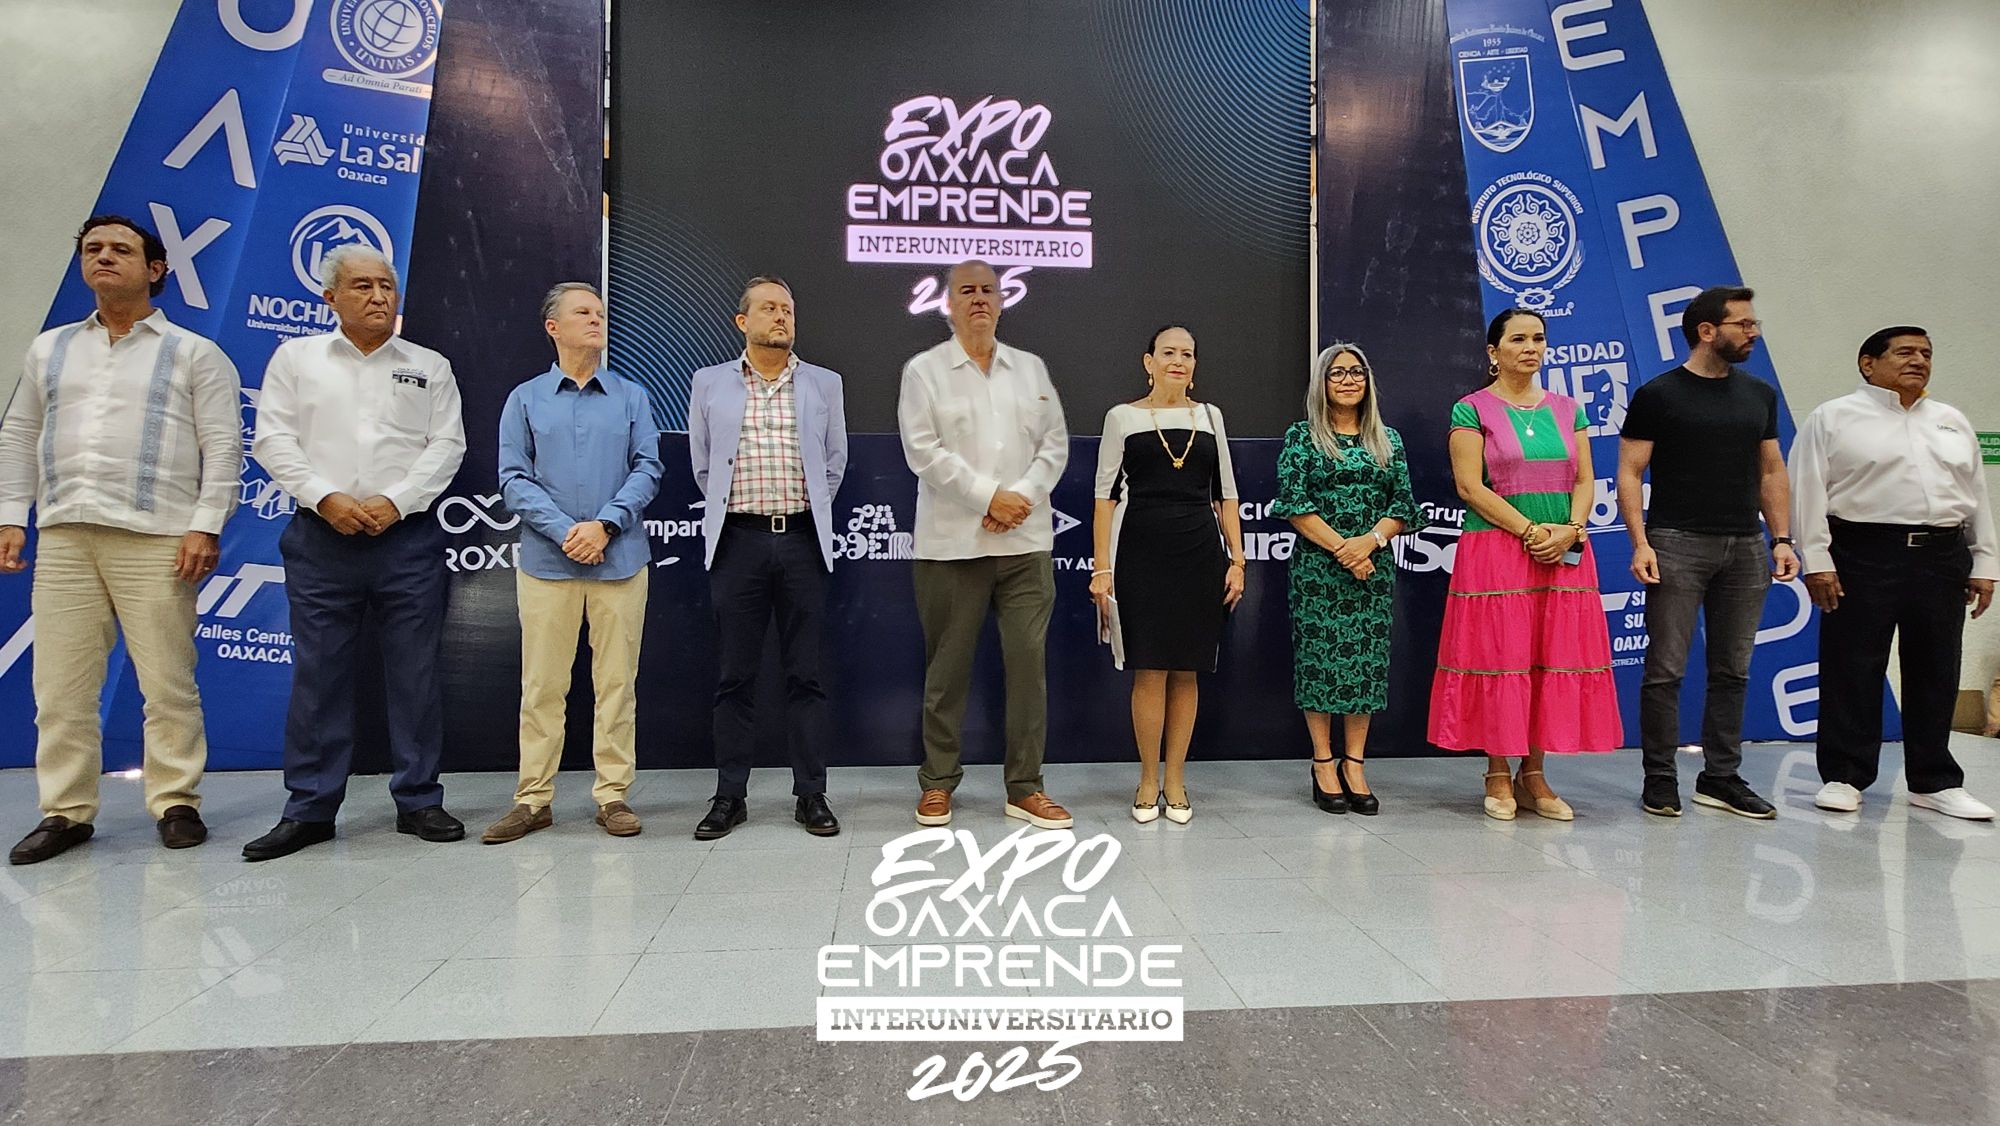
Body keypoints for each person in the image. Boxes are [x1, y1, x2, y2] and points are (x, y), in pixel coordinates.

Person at [0, 214, 241, 864]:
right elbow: (19, 433)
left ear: (155, 269)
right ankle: (65, 812)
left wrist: (205, 525)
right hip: (66, 536)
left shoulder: (194, 353)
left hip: (159, 538)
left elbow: (223, 447)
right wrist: (10, 514)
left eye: (120, 249)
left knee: (167, 681)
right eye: (93, 249)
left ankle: (176, 801)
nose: (103, 257)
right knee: (61, 687)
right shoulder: (50, 349)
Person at [242, 244, 468, 860]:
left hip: (407, 538)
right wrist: (326, 498)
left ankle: (418, 799)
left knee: (415, 675)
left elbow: (446, 446)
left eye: (386, 287)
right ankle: (310, 808)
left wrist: (397, 500)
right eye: (362, 286)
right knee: (319, 675)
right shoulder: (297, 359)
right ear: (330, 297)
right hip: (322, 536)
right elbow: (273, 439)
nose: (377, 297)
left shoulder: (429, 364)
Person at [1791, 326, 1997, 821]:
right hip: (1863, 552)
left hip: (1943, 555)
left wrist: (1985, 562)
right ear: (1868, 363)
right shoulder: (1834, 417)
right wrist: (1817, 561)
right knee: (1853, 665)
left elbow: (1976, 496)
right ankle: (1844, 776)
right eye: (1904, 352)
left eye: (1926, 353)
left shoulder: (1951, 421)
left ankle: (1934, 781)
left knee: (1937, 667)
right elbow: (1806, 491)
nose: (1918, 361)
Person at [480, 283, 661, 844]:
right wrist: (566, 531)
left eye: (600, 312)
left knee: (617, 685)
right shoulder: (525, 399)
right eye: (584, 312)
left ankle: (613, 796)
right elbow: (513, 478)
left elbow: (648, 468)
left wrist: (605, 525)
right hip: (547, 564)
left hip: (620, 560)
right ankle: (533, 800)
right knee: (542, 686)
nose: (596, 319)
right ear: (552, 327)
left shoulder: (631, 396)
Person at [897, 260, 1071, 829]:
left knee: (1028, 671)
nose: (978, 299)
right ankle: (937, 783)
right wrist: (988, 497)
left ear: (1001, 301)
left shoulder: (1031, 368)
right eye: (966, 291)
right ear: (947, 304)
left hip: (1025, 545)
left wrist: (1019, 498)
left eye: (988, 290)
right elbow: (923, 452)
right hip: (951, 548)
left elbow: (1054, 445)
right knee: (946, 674)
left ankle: (1025, 787)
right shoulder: (924, 371)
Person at [1429, 308, 1621, 819]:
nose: (1530, 347)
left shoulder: (1568, 409)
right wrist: (1531, 532)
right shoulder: (1471, 410)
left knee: (1548, 657)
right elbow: (1470, 487)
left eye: (1538, 338)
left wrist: (1571, 529)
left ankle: (1533, 773)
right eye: (1518, 339)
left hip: (1563, 552)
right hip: (1498, 552)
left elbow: (1584, 479)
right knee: (1503, 658)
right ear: (1494, 352)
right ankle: (1497, 771)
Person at [1617, 285, 1797, 820]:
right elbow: (1630, 472)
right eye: (1744, 324)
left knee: (1733, 671)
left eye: (1754, 323)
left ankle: (1720, 777)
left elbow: (1771, 470)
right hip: (1676, 542)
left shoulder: (1759, 394)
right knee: (1665, 669)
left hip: (1745, 545)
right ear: (1707, 331)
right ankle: (1660, 778)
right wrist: (1640, 542)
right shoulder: (1659, 395)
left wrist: (1781, 537)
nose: (1754, 332)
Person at [686, 277, 847, 839]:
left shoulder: (825, 383)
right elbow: (704, 466)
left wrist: (805, 509)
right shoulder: (709, 383)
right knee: (735, 676)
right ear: (742, 321)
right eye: (769, 308)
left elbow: (834, 463)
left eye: (788, 309)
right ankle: (730, 795)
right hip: (738, 541)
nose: (781, 317)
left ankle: (811, 794)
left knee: (806, 674)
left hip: (802, 539)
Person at [1089, 325, 1245, 825]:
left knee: (1187, 669)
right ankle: (1147, 779)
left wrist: (1238, 561)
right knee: (1150, 668)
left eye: (1188, 354)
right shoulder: (1123, 417)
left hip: (1200, 553)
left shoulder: (1211, 417)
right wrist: (1102, 568)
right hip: (1140, 551)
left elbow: (1225, 494)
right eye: (1168, 352)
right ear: (1149, 361)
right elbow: (1104, 498)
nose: (1178, 360)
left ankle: (1175, 780)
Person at [1271, 343, 1421, 817]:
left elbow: (1403, 506)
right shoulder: (1302, 437)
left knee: (1365, 669)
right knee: (1319, 666)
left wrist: (1368, 543)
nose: (1348, 380)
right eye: (1337, 373)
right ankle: (1323, 762)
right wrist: (1344, 549)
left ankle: (1354, 764)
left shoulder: (1388, 439)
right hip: (1318, 573)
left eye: (1357, 372)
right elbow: (1293, 503)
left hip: (1371, 572)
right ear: (1322, 383)